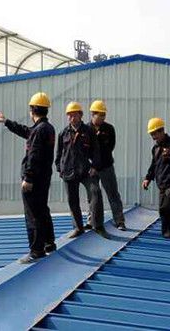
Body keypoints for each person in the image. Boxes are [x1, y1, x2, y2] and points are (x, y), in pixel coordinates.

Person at [0, 92, 56, 263]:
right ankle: (49, 242)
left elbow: (34, 155)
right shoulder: (47, 128)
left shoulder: (39, 130)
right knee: (42, 209)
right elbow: (26, 131)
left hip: (35, 179)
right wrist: (6, 121)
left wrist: (28, 178)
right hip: (44, 177)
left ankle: (36, 251)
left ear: (32, 110)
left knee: (33, 214)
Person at [56, 102, 108, 238]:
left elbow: (96, 151)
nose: (72, 118)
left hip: (86, 170)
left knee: (95, 192)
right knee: (72, 200)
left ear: (81, 115)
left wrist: (94, 166)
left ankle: (98, 226)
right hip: (68, 170)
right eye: (70, 115)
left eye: (75, 115)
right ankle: (78, 228)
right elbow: (59, 153)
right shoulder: (63, 133)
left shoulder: (89, 131)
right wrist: (59, 168)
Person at [88, 100, 126, 231]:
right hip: (91, 168)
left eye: (104, 115)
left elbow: (111, 146)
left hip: (106, 167)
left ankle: (119, 221)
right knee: (92, 195)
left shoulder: (109, 129)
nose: (103, 118)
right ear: (93, 114)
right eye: (100, 115)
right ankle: (91, 220)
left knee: (113, 194)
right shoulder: (86, 129)